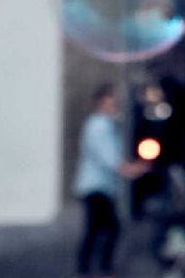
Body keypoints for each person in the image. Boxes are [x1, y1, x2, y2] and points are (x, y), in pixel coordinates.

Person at [76, 85, 148, 277]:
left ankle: (89, 267)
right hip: (96, 187)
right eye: (110, 103)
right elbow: (109, 158)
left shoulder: (103, 125)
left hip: (100, 187)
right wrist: (133, 169)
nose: (114, 107)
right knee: (109, 228)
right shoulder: (99, 127)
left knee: (96, 229)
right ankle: (99, 267)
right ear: (99, 104)